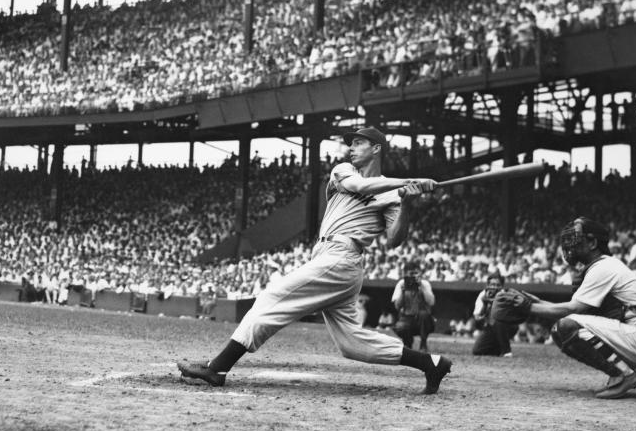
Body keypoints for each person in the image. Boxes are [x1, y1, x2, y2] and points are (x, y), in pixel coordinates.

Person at [176, 127, 453, 394]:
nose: (351, 148)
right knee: (352, 344)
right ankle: (431, 364)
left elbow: (394, 239)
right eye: (351, 143)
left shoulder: (393, 194)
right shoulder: (344, 171)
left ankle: (218, 368)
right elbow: (361, 186)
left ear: (376, 148)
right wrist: (407, 182)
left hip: (343, 258)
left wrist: (406, 201)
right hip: (328, 257)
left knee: (271, 296)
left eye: (358, 143)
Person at [525, 217, 636, 399]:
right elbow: (575, 310)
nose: (569, 245)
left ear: (592, 243)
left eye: (575, 240)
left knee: (566, 327)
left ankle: (625, 375)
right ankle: (619, 374)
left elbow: (571, 310)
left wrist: (529, 308)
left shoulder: (603, 267)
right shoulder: (602, 265)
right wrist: (536, 302)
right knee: (562, 328)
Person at [392, 261, 435, 352]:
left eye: (416, 273)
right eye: (411, 274)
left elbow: (431, 302)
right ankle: (407, 343)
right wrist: (403, 292)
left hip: (422, 320)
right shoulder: (401, 284)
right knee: (400, 327)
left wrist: (421, 287)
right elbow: (397, 306)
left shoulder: (425, 284)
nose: (413, 277)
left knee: (424, 314)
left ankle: (423, 343)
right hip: (406, 318)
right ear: (406, 274)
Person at [471, 273, 517, 357]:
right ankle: (498, 349)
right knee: (477, 351)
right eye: (492, 284)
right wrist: (485, 304)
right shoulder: (483, 295)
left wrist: (492, 302)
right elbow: (477, 317)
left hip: (509, 326)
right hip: (491, 326)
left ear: (502, 286)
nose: (495, 287)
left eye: (498, 285)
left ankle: (507, 351)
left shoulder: (506, 294)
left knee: (498, 317)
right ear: (487, 285)